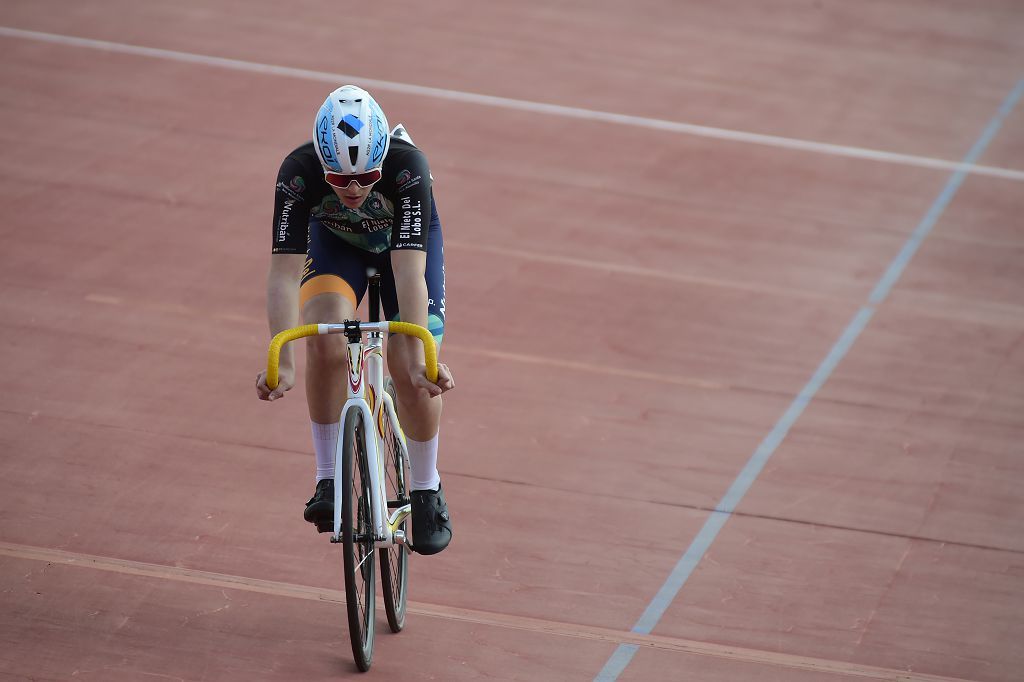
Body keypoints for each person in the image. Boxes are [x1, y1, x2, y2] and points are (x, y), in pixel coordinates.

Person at [255, 84, 454, 555]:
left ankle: (426, 488)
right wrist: (281, 359)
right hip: (337, 249)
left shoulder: (409, 169)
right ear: (321, 165)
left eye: (366, 176)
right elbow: (283, 277)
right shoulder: (298, 174)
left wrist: (424, 348)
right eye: (339, 180)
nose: (354, 189)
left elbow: (409, 272)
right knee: (322, 339)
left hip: (405, 252)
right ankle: (328, 480)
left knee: (412, 365)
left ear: (383, 158)